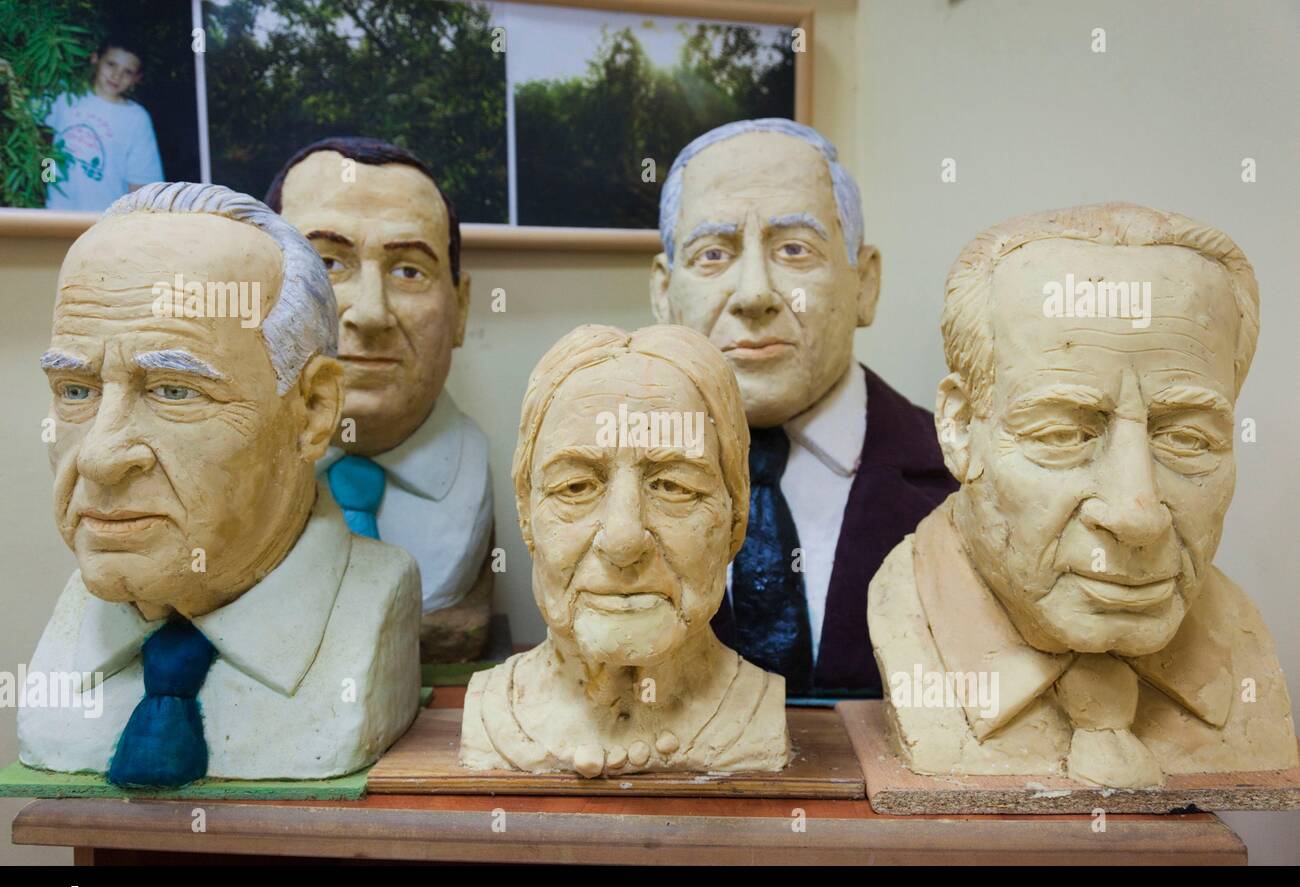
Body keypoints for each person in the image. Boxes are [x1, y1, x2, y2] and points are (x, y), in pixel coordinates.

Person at [870, 202, 1297, 787]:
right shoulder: (907, 622)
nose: (1136, 513)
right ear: (961, 428)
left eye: (1188, 437)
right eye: (1062, 434)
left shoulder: (1244, 662)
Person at [19, 183, 420, 786]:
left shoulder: (372, 611)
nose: (101, 456)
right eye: (77, 391)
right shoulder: (68, 635)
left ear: (311, 410)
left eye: (173, 391)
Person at [650, 118, 956, 698]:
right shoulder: (605, 488)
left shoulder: (965, 483)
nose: (755, 294)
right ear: (664, 293)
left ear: (864, 284)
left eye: (794, 249)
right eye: (713, 254)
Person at [460, 325, 789, 777]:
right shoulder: (490, 710)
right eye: (575, 487)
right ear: (526, 511)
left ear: (737, 513)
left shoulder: (764, 713)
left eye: (674, 486)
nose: (623, 539)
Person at [266, 137, 494, 664]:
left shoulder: (483, 479)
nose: (370, 313)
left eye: (409, 270)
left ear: (459, 310)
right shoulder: (222, 477)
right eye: (327, 263)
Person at [43, 34, 164, 212]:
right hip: (55, 212)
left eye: (127, 72)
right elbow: (40, 143)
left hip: (104, 221)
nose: (117, 76)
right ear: (95, 58)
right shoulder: (64, 94)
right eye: (111, 64)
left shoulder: (136, 118)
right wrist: (47, 181)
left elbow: (141, 185)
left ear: (137, 78)